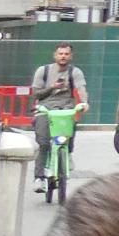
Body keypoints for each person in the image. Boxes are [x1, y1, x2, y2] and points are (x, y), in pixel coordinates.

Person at [31, 38, 89, 191]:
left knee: (71, 127)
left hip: (65, 107)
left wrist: (84, 102)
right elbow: (36, 94)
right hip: (45, 108)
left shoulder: (75, 72)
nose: (63, 56)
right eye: (60, 53)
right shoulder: (43, 71)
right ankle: (39, 177)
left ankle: (67, 153)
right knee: (44, 143)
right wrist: (52, 87)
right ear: (55, 55)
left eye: (66, 54)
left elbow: (81, 89)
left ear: (71, 56)